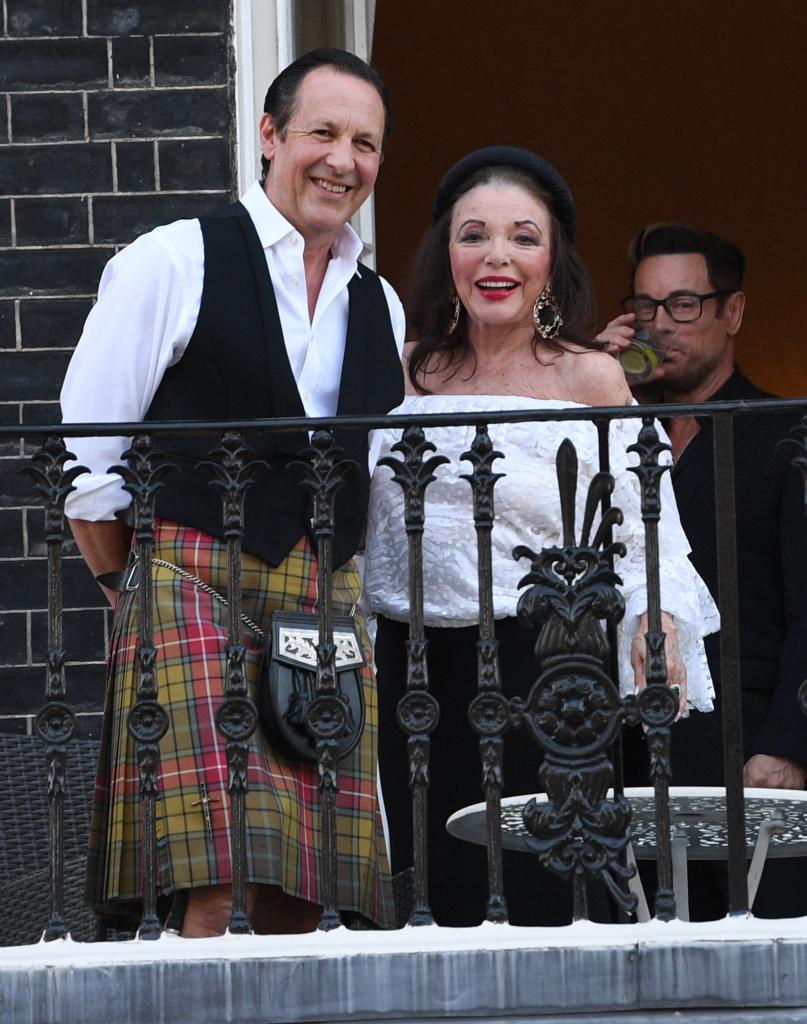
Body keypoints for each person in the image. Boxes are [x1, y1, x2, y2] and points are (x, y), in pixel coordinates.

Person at [60, 48, 405, 937]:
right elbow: (87, 463)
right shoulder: (173, 260)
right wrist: (128, 588)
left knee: (308, 890)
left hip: (322, 601)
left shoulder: (383, 303)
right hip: (187, 587)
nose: (342, 159)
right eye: (321, 132)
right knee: (218, 882)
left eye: (364, 142)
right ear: (268, 135)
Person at [363, 148, 719, 927]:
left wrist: (655, 619)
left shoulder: (588, 377)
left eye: (523, 237)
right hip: (414, 672)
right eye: (474, 236)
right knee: (438, 890)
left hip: (549, 669)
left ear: (551, 261)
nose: (497, 257)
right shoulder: (398, 372)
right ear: (444, 256)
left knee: (549, 891)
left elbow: (643, 524)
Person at [598, 223, 807, 918]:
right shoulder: (607, 436)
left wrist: (786, 746)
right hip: (626, 756)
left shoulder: (786, 435)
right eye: (647, 307)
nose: (661, 326)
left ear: (733, 312)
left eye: (683, 305)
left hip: (749, 757)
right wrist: (589, 381)